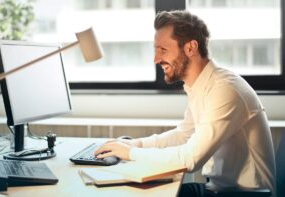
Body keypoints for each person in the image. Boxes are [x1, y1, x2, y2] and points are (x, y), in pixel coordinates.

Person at [95, 10, 276, 196]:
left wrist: (130, 153)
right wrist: (135, 145)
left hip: (245, 194)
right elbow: (184, 135)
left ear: (190, 48)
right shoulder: (201, 85)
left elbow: (190, 159)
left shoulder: (225, 89)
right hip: (218, 190)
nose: (156, 59)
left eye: (163, 50)